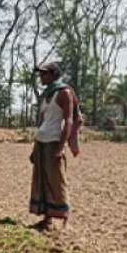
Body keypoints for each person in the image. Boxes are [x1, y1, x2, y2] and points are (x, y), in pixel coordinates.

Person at [28, 61, 78, 231]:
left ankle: (65, 219)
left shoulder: (64, 93)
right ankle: (47, 219)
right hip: (42, 140)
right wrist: (35, 148)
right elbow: (42, 122)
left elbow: (69, 120)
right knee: (43, 180)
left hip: (54, 140)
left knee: (57, 180)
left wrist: (61, 147)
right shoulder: (46, 95)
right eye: (40, 74)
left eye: (44, 74)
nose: (41, 77)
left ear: (54, 74)